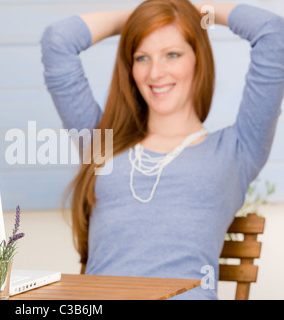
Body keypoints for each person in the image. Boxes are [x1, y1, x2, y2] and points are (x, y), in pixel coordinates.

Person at [40, 0, 284, 299]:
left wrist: (200, 15)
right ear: (130, 69)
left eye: (172, 54)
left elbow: (273, 33)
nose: (156, 72)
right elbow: (57, 41)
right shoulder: (101, 143)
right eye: (142, 57)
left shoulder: (238, 149)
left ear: (199, 59)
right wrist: (141, 20)